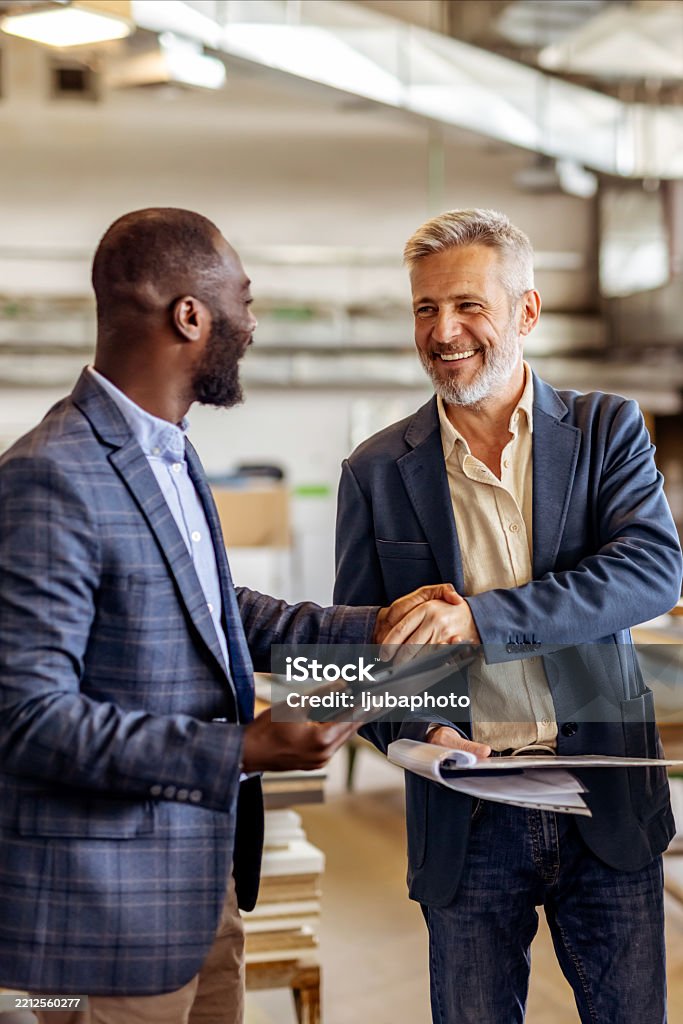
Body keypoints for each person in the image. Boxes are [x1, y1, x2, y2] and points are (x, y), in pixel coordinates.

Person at [0, 208, 459, 1024]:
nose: (250, 323)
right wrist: (244, 746)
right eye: (243, 300)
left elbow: (216, 612)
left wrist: (372, 627)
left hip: (198, 890)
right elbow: (28, 719)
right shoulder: (50, 476)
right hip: (105, 924)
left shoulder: (168, 451)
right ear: (189, 315)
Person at [334, 208, 683, 1024]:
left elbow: (649, 571)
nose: (443, 331)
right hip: (468, 816)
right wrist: (420, 735)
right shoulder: (377, 470)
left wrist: (481, 619)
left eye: (466, 306)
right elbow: (361, 657)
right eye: (425, 308)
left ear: (525, 312)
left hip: (602, 797)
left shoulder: (604, 431)